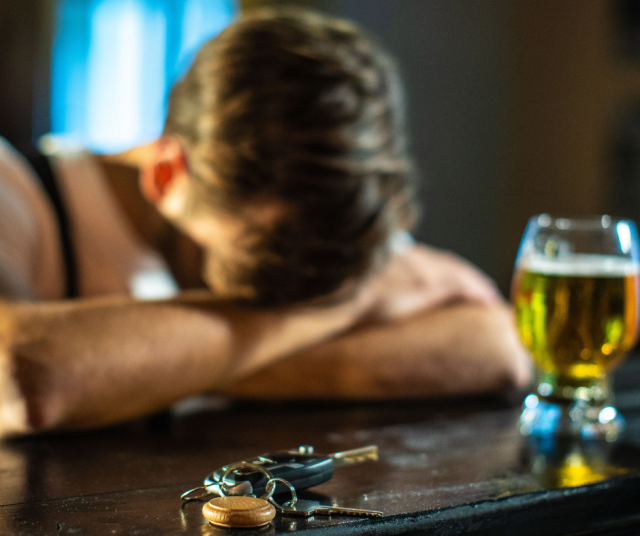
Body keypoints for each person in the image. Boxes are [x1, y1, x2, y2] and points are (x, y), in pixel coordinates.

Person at [0, 8, 530, 437]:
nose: (303, 297)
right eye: (263, 281)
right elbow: (17, 379)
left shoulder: (319, 209)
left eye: (318, 293)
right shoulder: (15, 191)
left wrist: (118, 372)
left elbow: (498, 348)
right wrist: (350, 302)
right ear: (166, 175)